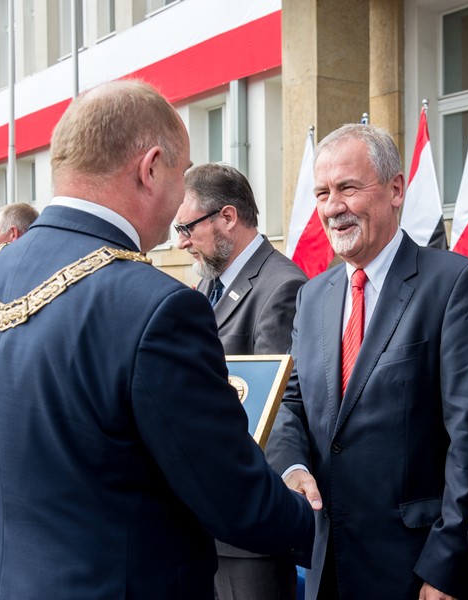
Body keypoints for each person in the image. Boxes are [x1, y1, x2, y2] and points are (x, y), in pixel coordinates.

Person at [0, 79, 313, 599]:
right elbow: (228, 495)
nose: (180, 196)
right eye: (180, 175)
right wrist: (318, 527)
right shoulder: (154, 304)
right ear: (151, 167)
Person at [266, 124, 468, 600]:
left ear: (396, 190)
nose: (333, 206)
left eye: (348, 188)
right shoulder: (313, 295)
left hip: (414, 569)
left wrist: (447, 564)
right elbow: (291, 402)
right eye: (322, 193)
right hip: (327, 562)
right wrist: (291, 465)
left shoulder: (454, 284)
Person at [175, 163, 308, 600]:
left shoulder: (281, 285)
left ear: (228, 217)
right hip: (203, 519)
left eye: (187, 227)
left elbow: (274, 408)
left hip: (244, 534)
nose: (181, 241)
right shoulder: (204, 289)